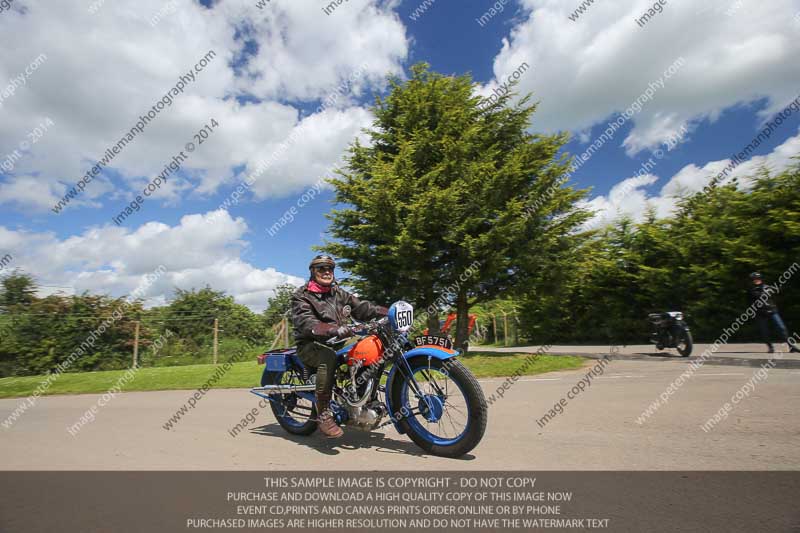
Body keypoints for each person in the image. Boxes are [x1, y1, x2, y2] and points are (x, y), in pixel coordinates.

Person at [290, 255, 387, 438]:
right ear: (313, 272)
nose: (327, 272)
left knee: (369, 347)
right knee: (328, 356)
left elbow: (363, 308)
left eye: (330, 269)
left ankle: (363, 397)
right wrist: (333, 329)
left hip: (338, 341)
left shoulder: (338, 293)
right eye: (321, 268)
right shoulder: (301, 296)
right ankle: (324, 414)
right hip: (311, 344)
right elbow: (307, 322)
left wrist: (388, 311)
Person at [748, 272, 799, 353]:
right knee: (764, 331)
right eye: (754, 279)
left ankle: (791, 346)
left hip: (772, 310)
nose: (756, 280)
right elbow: (752, 301)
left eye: (758, 278)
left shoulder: (768, 287)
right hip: (760, 313)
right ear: (752, 280)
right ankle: (770, 347)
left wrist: (774, 302)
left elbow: (776, 294)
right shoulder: (752, 290)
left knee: (782, 328)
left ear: (761, 279)